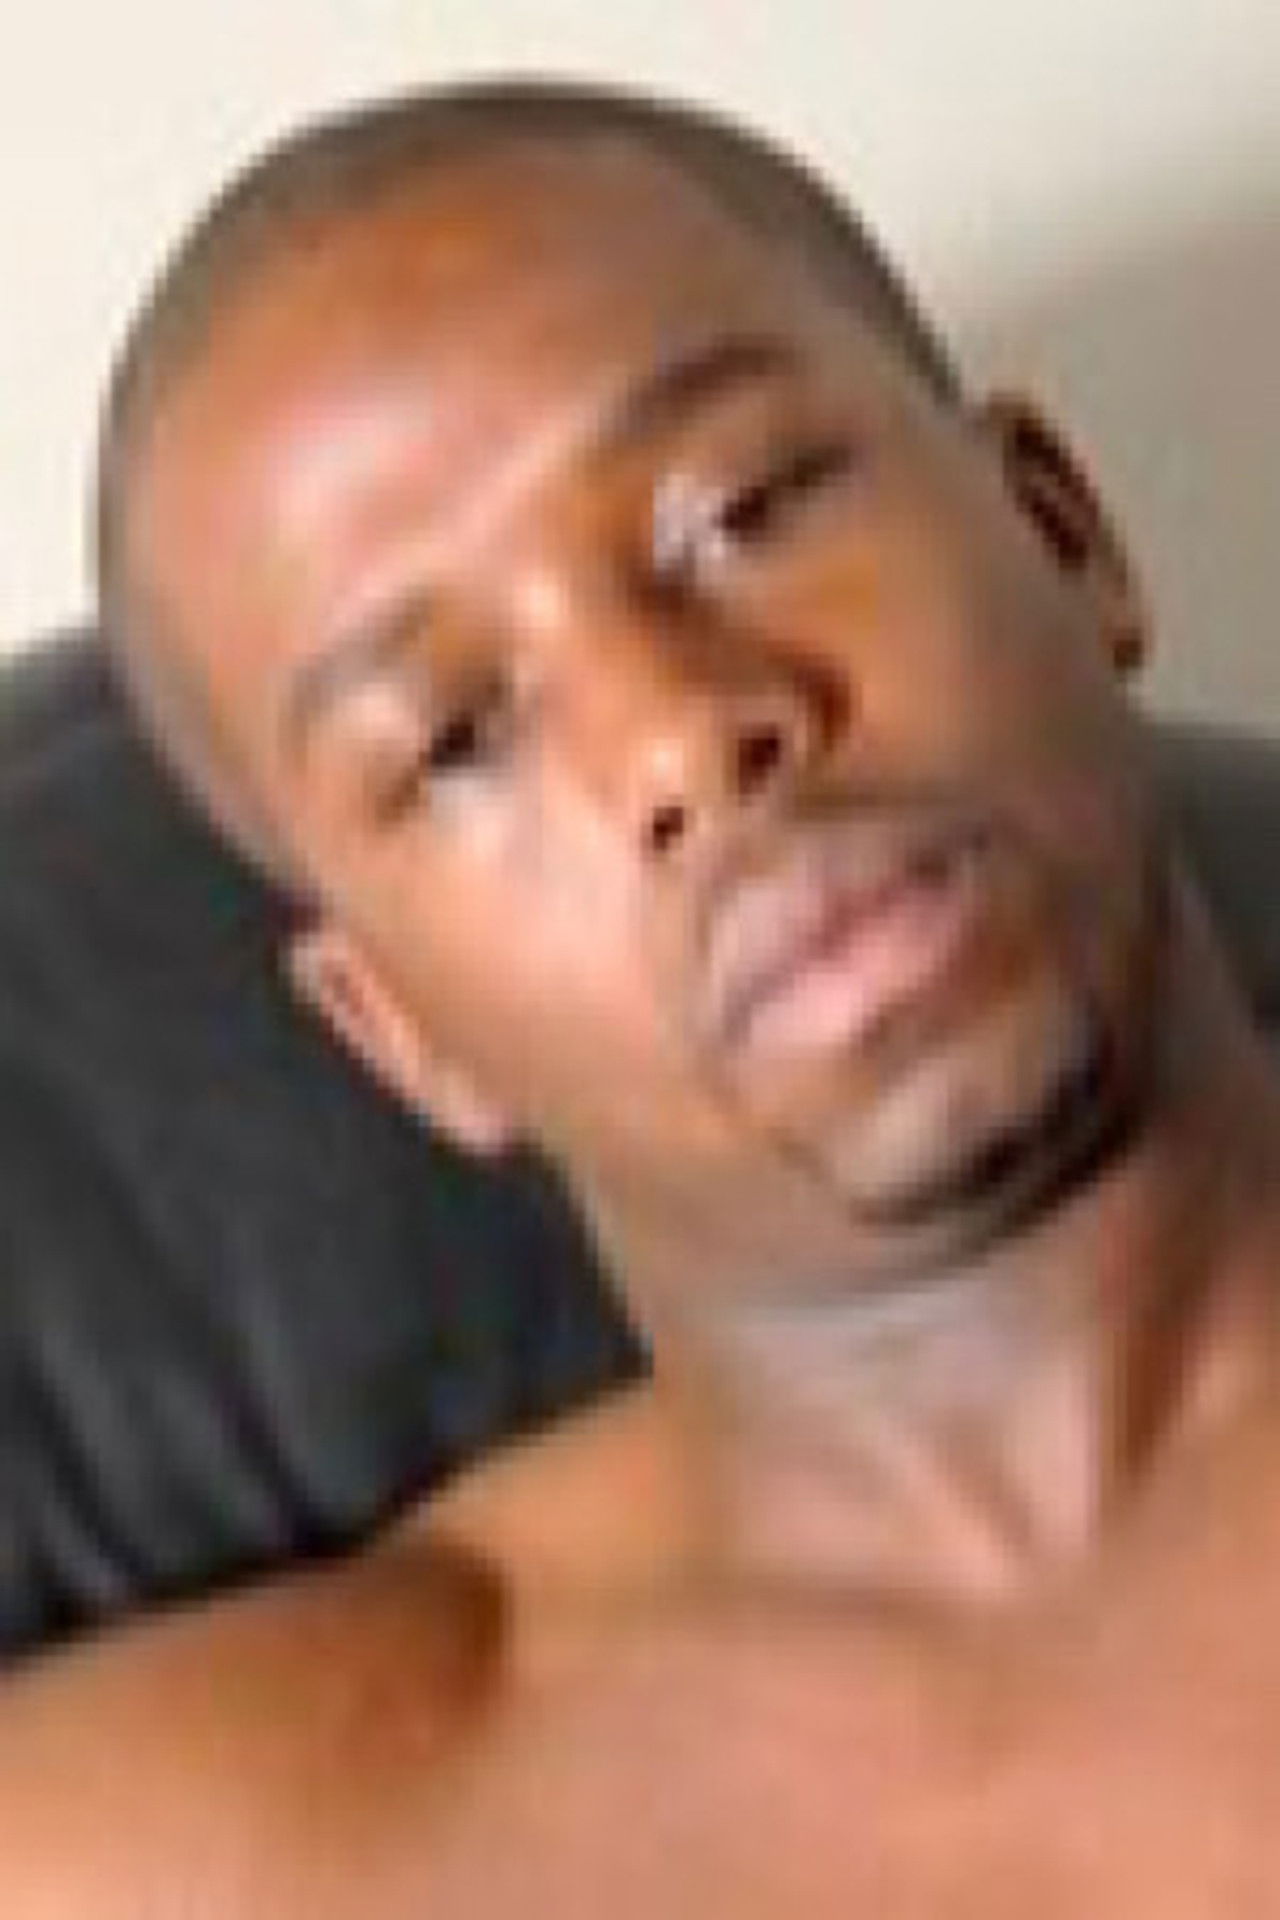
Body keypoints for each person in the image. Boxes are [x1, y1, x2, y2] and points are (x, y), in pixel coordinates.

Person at [4, 77, 1280, 1911]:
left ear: (1061, 535)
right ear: (398, 1031)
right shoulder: (192, 1855)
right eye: (455, 739)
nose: (682, 735)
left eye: (743, 512)